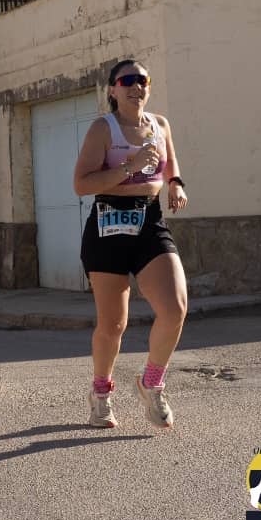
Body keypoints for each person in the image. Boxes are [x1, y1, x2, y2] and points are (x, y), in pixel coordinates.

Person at [73, 59, 189, 429]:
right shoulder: (103, 129)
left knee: (175, 309)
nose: (136, 87)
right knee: (113, 325)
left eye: (143, 80)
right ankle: (101, 394)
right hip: (108, 223)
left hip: (149, 221)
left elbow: (170, 165)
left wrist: (175, 185)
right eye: (127, 81)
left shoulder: (160, 125)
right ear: (113, 89)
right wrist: (130, 167)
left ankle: (152, 383)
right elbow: (81, 184)